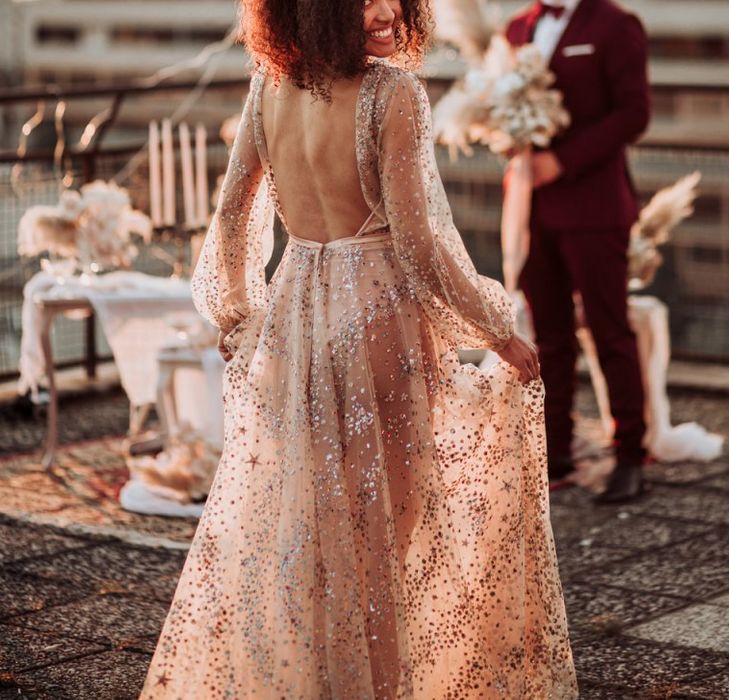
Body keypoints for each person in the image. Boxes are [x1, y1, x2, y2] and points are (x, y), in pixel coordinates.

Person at [140, 1, 577, 697]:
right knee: (381, 548)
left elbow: (229, 215)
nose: (385, 14)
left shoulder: (268, 83)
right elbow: (417, 241)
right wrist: (496, 330)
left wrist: (236, 315)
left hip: (294, 313)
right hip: (375, 317)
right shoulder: (393, 92)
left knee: (311, 531)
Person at [506, 0, 651, 503]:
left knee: (610, 330)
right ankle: (556, 449)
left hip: (594, 208)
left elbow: (635, 114)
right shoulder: (518, 27)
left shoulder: (615, 25)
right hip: (531, 210)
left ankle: (630, 455)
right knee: (549, 337)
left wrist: (561, 162)